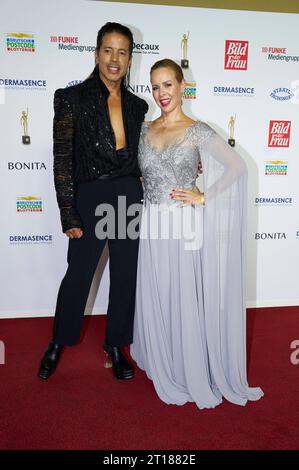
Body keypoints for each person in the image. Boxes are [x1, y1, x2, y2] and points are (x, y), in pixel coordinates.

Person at [131, 59, 264, 409]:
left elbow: (236, 167)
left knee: (184, 294)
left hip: (184, 224)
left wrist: (205, 196)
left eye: (168, 85)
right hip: (152, 225)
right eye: (155, 86)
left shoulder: (198, 130)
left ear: (182, 87)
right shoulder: (143, 130)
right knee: (158, 291)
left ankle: (188, 364)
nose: (162, 93)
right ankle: (165, 358)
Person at [38, 23, 148, 381]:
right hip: (90, 195)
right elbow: (62, 160)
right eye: (108, 50)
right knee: (79, 275)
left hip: (127, 195)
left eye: (122, 52)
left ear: (130, 58)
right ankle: (59, 339)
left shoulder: (137, 105)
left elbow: (140, 155)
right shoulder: (70, 99)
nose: (114, 59)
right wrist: (68, 210)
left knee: (125, 274)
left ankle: (116, 344)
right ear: (96, 53)